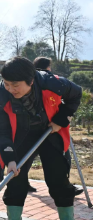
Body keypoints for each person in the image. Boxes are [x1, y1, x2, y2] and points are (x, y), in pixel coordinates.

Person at [0, 57, 82, 220]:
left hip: (50, 132)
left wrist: (62, 118)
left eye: (15, 85)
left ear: (31, 80)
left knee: (58, 180)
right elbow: (1, 131)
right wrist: (9, 158)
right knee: (15, 181)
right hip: (21, 135)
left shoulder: (53, 83)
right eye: (7, 84)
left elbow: (76, 94)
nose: (10, 89)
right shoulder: (2, 95)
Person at [31, 56, 84, 197]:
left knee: (27, 158)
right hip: (52, 128)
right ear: (48, 67)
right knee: (61, 158)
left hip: (52, 126)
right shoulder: (53, 80)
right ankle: (63, 186)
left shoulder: (31, 80)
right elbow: (76, 93)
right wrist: (62, 119)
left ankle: (64, 186)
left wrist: (62, 118)